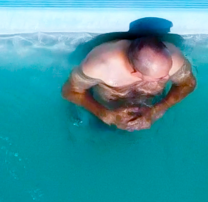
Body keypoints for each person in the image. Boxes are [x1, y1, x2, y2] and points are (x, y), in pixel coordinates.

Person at [62, 36, 196, 131]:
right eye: (160, 78)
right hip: (105, 110)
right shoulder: (99, 65)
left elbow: (188, 83)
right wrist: (104, 114)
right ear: (136, 74)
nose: (168, 76)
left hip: (151, 108)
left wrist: (158, 109)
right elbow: (69, 90)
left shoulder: (173, 59)